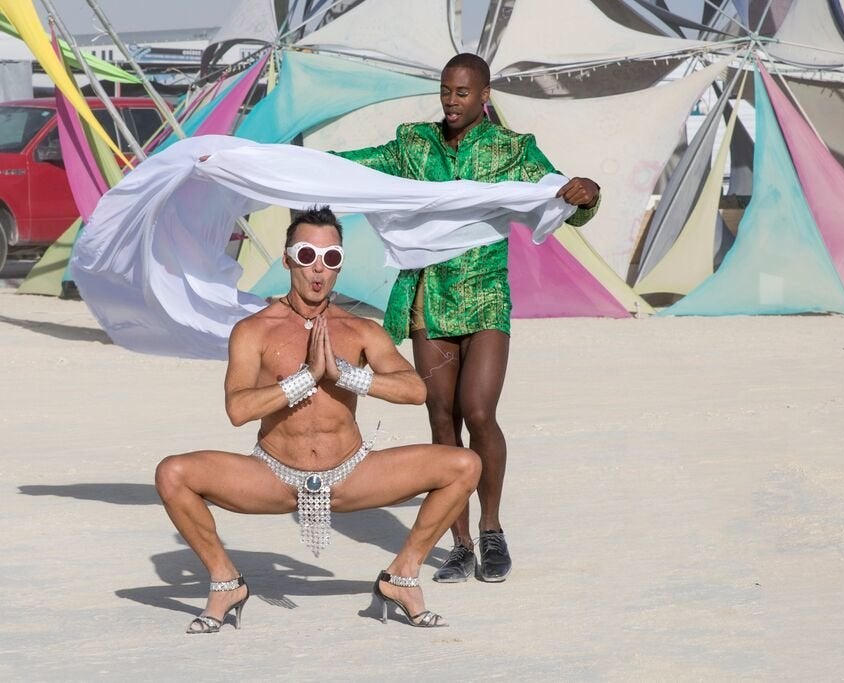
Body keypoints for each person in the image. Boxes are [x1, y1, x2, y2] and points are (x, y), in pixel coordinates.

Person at [331, 53, 601, 583]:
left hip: (485, 296)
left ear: (484, 96)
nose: (451, 102)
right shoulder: (413, 144)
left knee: (478, 412)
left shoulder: (510, 149)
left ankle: (491, 528)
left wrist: (587, 193)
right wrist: (279, 165)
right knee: (441, 419)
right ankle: (457, 543)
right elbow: (353, 166)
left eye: (462, 93)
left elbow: (560, 192)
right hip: (428, 298)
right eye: (446, 91)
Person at [154, 206, 481, 632]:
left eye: (331, 258)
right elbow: (238, 409)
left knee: (464, 465)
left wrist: (345, 375)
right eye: (307, 255)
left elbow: (414, 389)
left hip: (351, 472)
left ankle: (402, 576)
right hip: (273, 475)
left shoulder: (359, 330)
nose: (318, 269)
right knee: (173, 473)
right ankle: (225, 582)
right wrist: (306, 378)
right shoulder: (254, 330)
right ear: (287, 259)